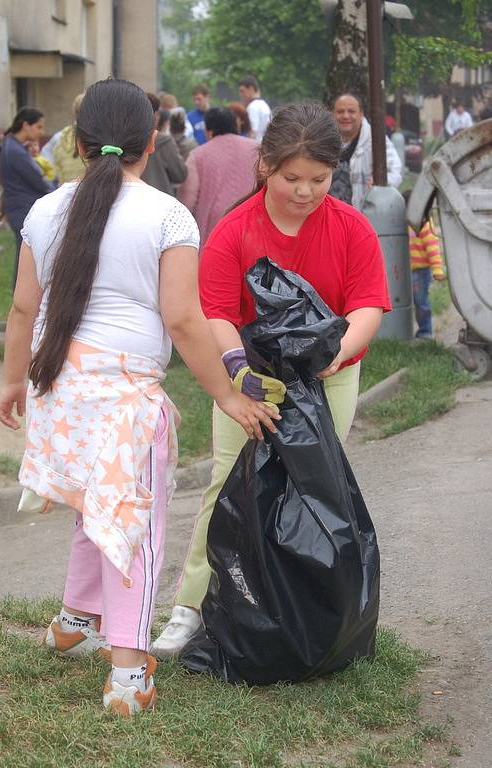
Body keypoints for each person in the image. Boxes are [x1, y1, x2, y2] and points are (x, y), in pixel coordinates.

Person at [0, 78, 278, 716]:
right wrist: (229, 394)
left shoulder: (44, 209)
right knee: (133, 528)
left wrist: (13, 381)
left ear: (77, 140)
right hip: (123, 397)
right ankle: (128, 674)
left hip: (58, 391)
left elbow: (21, 308)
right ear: (153, 142)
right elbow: (183, 321)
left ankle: (74, 621)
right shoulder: (166, 215)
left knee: (94, 509)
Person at [152, 102, 392, 659]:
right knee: (228, 483)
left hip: (327, 380)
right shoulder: (235, 229)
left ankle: (305, 605)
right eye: (291, 179)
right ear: (264, 166)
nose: (304, 192)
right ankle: (189, 608)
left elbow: (368, 306)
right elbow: (216, 310)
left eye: (318, 179)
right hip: (251, 379)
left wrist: (338, 353)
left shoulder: (350, 226)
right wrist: (237, 371)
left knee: (312, 487)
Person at [177, 107, 258, 247]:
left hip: (213, 229)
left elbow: (187, 201)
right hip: (253, 223)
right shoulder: (258, 150)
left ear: (208, 132)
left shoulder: (198, 155)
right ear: (236, 126)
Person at [0, 107, 55, 288]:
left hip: (18, 209)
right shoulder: (16, 152)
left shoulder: (11, 145)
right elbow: (38, 181)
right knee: (27, 260)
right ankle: (22, 297)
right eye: (38, 127)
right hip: (22, 210)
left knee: (24, 258)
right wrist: (58, 191)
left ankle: (21, 295)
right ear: (25, 125)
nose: (41, 132)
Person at [332, 93, 402, 209]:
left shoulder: (375, 139)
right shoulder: (323, 140)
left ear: (361, 114)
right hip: (328, 215)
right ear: (333, 114)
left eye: (351, 111)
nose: (345, 116)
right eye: (340, 111)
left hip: (361, 215)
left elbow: (395, 169)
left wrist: (381, 181)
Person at [406, 194, 445, 339]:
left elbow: (433, 249)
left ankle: (425, 332)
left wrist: (437, 270)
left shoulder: (424, 225)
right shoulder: (405, 224)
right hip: (407, 271)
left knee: (421, 303)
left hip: (420, 272)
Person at [141, 101, 188, 196]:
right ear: (156, 116)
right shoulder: (165, 141)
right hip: (161, 199)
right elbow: (179, 175)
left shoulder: (122, 140)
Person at [52, 93, 86, 184]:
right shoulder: (97, 139)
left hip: (66, 193)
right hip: (90, 194)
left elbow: (58, 173)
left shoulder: (61, 140)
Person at [238, 75, 271, 142]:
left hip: (255, 147)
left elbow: (253, 132)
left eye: (242, 91)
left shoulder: (253, 107)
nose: (241, 94)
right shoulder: (265, 105)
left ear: (251, 88)